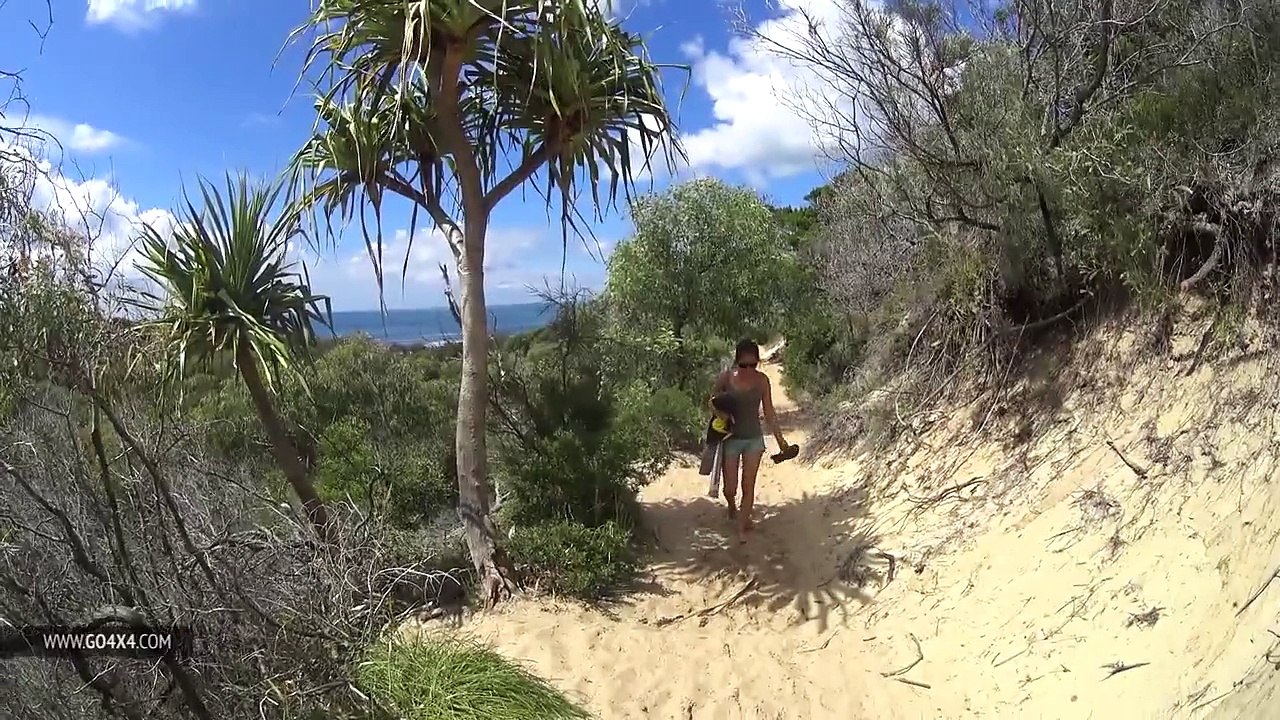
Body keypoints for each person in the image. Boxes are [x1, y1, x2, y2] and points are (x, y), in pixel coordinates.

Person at [709, 338, 791, 543]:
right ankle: (731, 506)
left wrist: (781, 442)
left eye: (752, 365)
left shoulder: (762, 381)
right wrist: (722, 415)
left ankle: (741, 527)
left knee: (748, 485)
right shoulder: (726, 378)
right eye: (743, 365)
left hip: (753, 439)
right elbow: (711, 401)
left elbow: (770, 413)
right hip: (731, 439)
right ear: (736, 362)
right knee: (730, 487)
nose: (748, 369)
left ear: (758, 362)